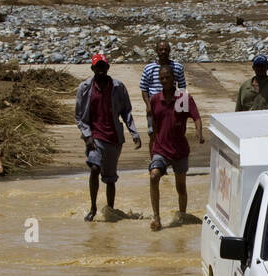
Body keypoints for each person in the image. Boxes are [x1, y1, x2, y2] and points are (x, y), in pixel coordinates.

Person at [75, 53, 140, 222]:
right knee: (94, 168)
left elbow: (126, 111)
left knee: (110, 179)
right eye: (98, 67)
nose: (101, 70)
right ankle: (93, 208)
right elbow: (80, 116)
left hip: (113, 137)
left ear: (108, 67)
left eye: (103, 66)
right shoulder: (84, 88)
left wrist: (134, 133)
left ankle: (110, 210)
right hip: (94, 136)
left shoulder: (118, 87)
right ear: (93, 68)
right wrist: (87, 137)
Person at [147, 65, 203, 231]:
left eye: (167, 78)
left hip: (179, 150)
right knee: (153, 177)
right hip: (161, 149)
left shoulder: (183, 98)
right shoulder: (155, 99)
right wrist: (153, 148)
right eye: (162, 78)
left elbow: (196, 117)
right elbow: (155, 126)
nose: (165, 81)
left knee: (181, 187)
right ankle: (156, 217)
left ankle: (182, 216)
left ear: (174, 79)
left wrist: (199, 133)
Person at [139, 40, 186, 136]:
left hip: (171, 106)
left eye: (165, 49)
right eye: (161, 50)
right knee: (153, 134)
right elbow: (144, 89)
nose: (163, 52)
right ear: (156, 51)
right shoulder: (149, 68)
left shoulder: (177, 67)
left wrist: (181, 107)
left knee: (173, 134)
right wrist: (148, 106)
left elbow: (182, 88)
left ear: (169, 50)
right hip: (154, 106)